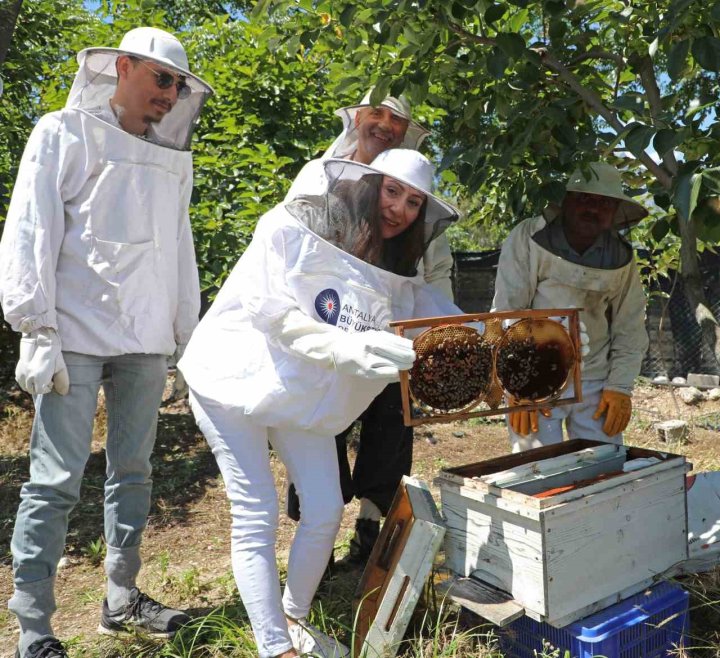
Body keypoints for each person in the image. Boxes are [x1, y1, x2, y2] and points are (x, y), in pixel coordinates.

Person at [178, 148, 460, 658]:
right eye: (392, 192)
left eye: (414, 202)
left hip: (295, 393)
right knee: (256, 512)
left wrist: (491, 334)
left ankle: (293, 616)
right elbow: (272, 312)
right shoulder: (288, 225)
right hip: (232, 380)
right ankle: (275, 647)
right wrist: (344, 348)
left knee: (327, 508)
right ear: (367, 187)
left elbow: (434, 312)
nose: (399, 209)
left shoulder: (398, 269)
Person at [0, 27, 212, 658]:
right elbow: (31, 226)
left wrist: (183, 335)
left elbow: (179, 249)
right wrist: (35, 328)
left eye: (178, 85)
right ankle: (33, 627)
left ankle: (122, 599)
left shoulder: (172, 158)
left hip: (145, 339)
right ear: (122, 68)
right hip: (73, 336)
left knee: (134, 472)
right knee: (56, 480)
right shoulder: (61, 132)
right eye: (161, 80)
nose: (171, 96)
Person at [284, 90, 454, 565]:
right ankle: (317, 539)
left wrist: (435, 330)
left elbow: (434, 274)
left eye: (395, 120)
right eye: (375, 114)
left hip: (391, 335)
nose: (383, 125)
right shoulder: (320, 176)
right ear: (356, 119)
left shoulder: (418, 198)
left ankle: (369, 531)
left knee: (390, 428)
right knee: (320, 430)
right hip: (327, 331)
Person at [492, 162, 650, 453]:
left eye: (604, 202)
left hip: (596, 380)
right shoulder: (528, 237)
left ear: (615, 210)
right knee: (538, 469)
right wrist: (517, 382)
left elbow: (629, 327)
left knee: (601, 467)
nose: (593, 208)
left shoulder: (622, 257)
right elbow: (508, 312)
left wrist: (619, 387)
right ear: (566, 201)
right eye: (585, 198)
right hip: (536, 375)